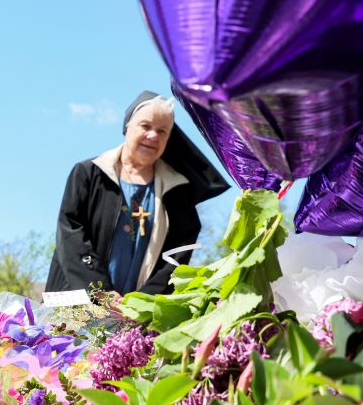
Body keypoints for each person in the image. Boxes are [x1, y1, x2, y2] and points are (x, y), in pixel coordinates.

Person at [45, 91, 228, 295]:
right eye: (145, 126)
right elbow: (71, 234)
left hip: (135, 315)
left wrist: (142, 301)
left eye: (162, 131)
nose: (153, 136)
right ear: (127, 127)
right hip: (79, 304)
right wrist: (100, 291)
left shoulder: (177, 191)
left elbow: (178, 255)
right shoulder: (89, 173)